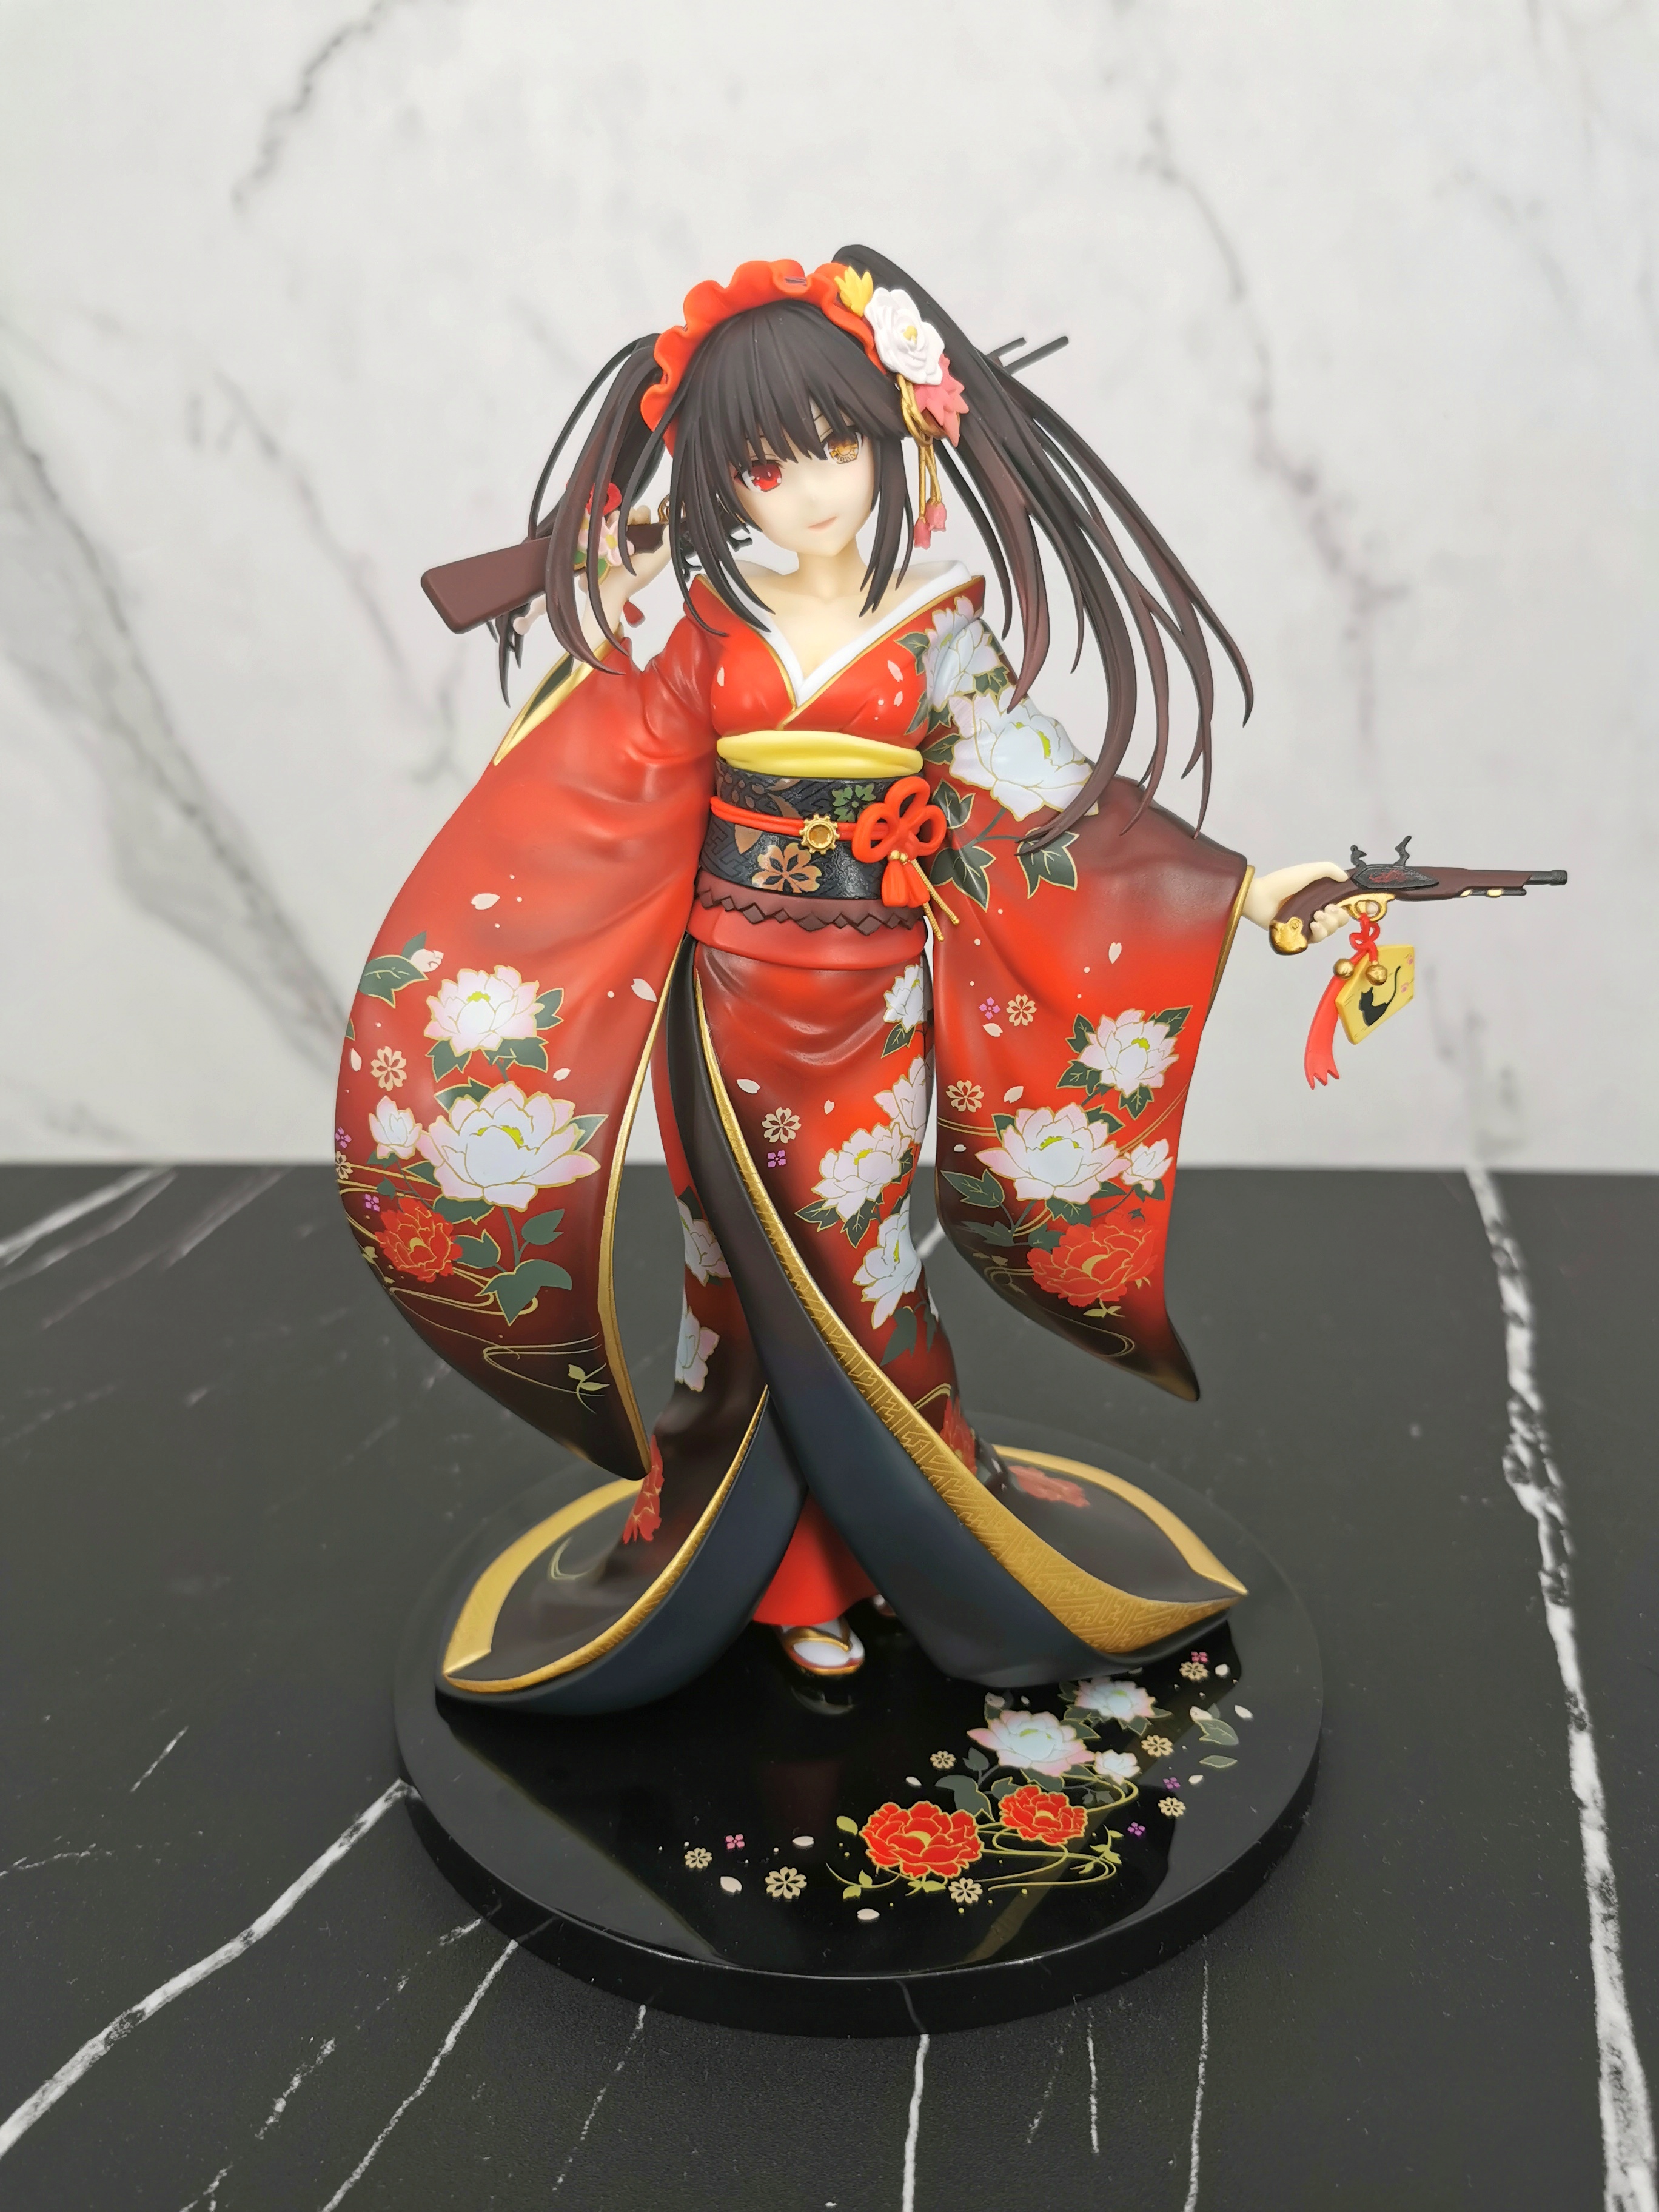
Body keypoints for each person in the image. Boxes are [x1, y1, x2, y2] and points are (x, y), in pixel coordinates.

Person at [335, 250, 1349, 1713]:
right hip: (721, 1013)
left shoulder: (937, 627)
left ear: (895, 436)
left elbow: (1047, 797)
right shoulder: (708, 626)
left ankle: (900, 1559)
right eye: (766, 466)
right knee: (735, 1299)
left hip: (872, 1019)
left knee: (866, 1283)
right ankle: (782, 1581)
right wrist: (606, 591)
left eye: (838, 447)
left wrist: (1245, 893)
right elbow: (591, 789)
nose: (812, 491)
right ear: (715, 481)